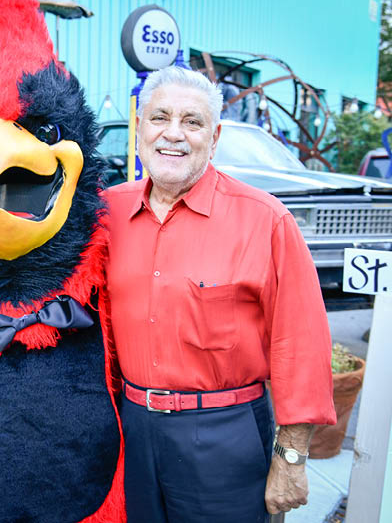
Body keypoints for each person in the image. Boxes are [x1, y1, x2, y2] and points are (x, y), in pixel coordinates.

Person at [104, 66, 336, 522]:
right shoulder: (106, 212)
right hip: (128, 430)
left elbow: (301, 344)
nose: (174, 134)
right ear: (138, 127)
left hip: (224, 437)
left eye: (192, 122)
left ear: (215, 137)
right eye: (159, 118)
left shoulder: (265, 220)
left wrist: (291, 460)